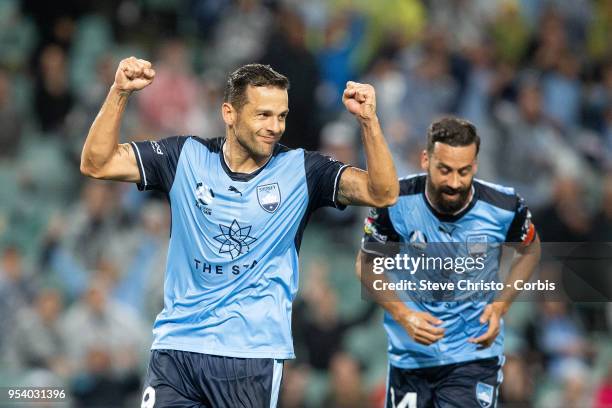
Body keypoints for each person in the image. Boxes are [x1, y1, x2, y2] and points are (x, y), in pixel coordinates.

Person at [79, 56, 398, 407]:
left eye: (282, 116)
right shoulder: (185, 156)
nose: (275, 126)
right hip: (177, 349)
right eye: (263, 115)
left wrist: (368, 122)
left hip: (250, 357)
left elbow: (382, 192)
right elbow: (97, 162)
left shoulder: (303, 171)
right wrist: (120, 92)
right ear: (229, 113)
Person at [357, 117, 541, 408]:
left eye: (464, 171)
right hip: (411, 357)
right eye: (444, 170)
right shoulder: (394, 202)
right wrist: (404, 315)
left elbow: (530, 251)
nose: (454, 182)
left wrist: (501, 305)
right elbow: (366, 266)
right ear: (425, 159)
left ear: (475, 166)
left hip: (473, 356)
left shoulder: (504, 206)